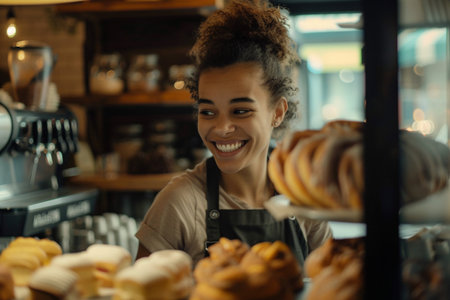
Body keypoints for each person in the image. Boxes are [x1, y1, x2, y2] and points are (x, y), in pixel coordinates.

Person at [135, 0, 332, 265]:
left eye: (240, 111)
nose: (221, 128)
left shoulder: (303, 197)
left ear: (277, 112)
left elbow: (333, 283)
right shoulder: (180, 203)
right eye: (208, 112)